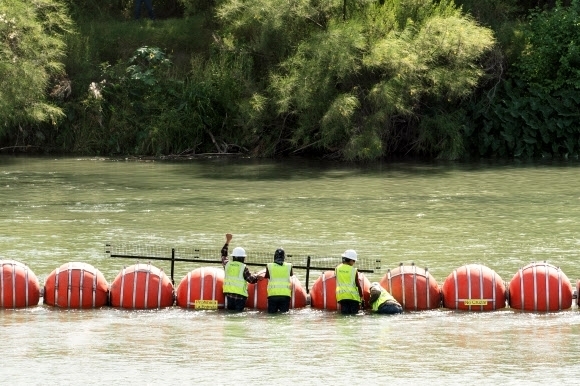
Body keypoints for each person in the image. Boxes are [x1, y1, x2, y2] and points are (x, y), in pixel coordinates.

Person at [221, 233, 262, 311]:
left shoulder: (227, 264)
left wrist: (227, 241)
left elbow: (223, 255)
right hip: (240, 297)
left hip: (229, 295)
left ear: (233, 256)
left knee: (230, 314)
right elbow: (251, 280)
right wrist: (257, 276)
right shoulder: (243, 267)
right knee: (238, 315)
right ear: (243, 258)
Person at [264, 248, 294, 313]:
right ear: (284, 257)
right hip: (285, 295)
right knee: (284, 315)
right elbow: (291, 274)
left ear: (274, 256)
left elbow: (266, 276)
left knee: (271, 314)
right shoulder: (289, 266)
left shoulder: (269, 266)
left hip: (273, 295)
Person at [335, 249, 364, 315]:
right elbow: (357, 284)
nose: (354, 263)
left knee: (344, 315)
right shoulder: (353, 270)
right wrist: (361, 296)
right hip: (353, 298)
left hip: (342, 297)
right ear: (351, 260)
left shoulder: (337, 268)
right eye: (354, 261)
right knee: (354, 316)